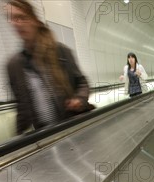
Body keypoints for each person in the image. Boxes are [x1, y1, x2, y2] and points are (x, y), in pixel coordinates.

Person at [6, 0, 91, 134]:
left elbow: (82, 82)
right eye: (12, 19)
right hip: (43, 135)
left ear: (34, 20)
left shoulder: (61, 52)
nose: (16, 23)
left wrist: (79, 99)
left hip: (72, 127)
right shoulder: (14, 65)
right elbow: (21, 108)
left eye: (21, 17)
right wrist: (18, 140)